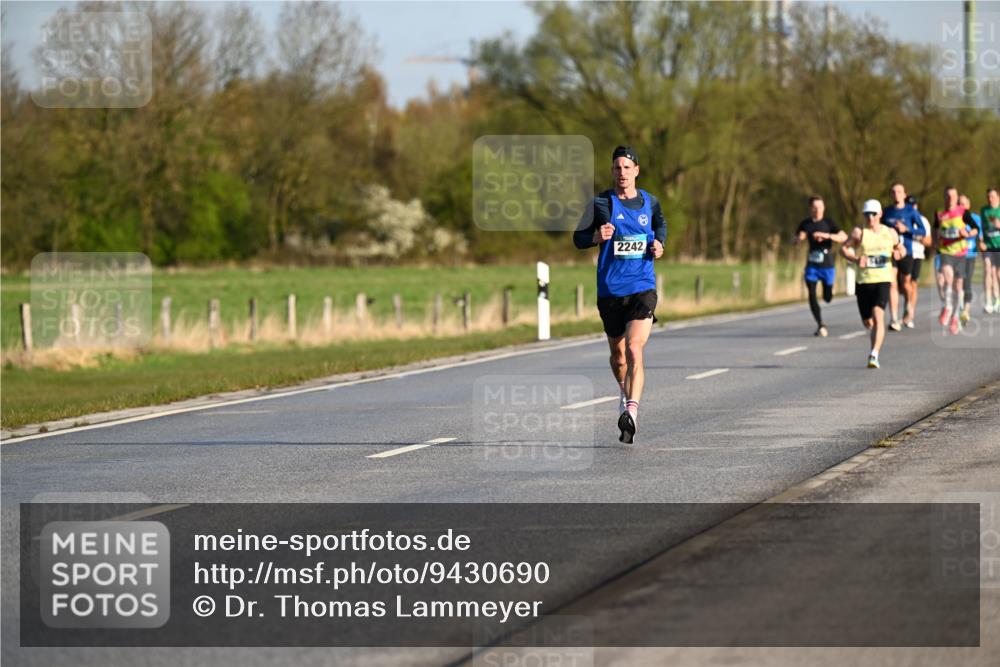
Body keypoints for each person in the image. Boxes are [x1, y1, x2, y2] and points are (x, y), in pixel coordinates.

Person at [574, 145, 665, 444]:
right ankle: (624, 395)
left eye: (627, 167)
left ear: (636, 170)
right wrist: (595, 237)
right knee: (618, 355)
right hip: (610, 291)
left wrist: (659, 244)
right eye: (617, 168)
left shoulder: (650, 202)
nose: (622, 173)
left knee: (634, 349)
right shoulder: (601, 203)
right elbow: (578, 237)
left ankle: (632, 412)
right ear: (612, 172)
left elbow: (660, 225)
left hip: (642, 287)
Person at [840, 199, 905, 368]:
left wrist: (899, 254)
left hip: (883, 280)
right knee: (868, 322)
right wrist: (855, 259)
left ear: (880, 214)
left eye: (874, 214)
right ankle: (873, 341)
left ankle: (874, 354)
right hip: (863, 282)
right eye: (867, 214)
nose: (870, 218)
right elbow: (843, 249)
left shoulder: (890, 233)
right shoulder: (859, 233)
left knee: (879, 316)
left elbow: (901, 249)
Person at [795, 196, 846, 337]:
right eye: (815, 207)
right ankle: (820, 324)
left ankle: (829, 291)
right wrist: (799, 239)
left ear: (824, 208)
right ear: (810, 209)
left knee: (827, 297)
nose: (818, 210)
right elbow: (795, 239)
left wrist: (826, 236)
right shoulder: (805, 224)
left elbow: (843, 237)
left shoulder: (829, 222)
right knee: (811, 294)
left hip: (827, 263)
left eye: (820, 207)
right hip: (812, 263)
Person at [881, 184, 925, 330]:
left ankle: (909, 305)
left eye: (899, 192)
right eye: (893, 192)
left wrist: (907, 229)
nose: (896, 194)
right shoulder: (886, 212)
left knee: (906, 283)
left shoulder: (911, 211)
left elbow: (923, 230)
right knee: (892, 283)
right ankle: (894, 318)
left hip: (907, 251)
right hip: (890, 252)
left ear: (905, 194)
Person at [934, 186, 972, 335]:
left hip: (961, 253)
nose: (950, 199)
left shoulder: (963, 212)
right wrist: (936, 240)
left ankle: (955, 317)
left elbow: (975, 229)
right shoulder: (939, 213)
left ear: (957, 197)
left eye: (953, 196)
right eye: (948, 196)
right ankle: (948, 306)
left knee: (958, 287)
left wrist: (966, 233)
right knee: (947, 279)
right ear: (944, 197)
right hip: (945, 252)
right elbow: (936, 229)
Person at [904, 195, 932, 327]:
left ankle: (910, 312)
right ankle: (907, 304)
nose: (912, 208)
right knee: (903, 284)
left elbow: (929, 241)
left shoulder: (923, 220)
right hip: (904, 253)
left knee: (913, 283)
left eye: (913, 205)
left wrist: (914, 234)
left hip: (917, 254)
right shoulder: (902, 218)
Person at [958, 194, 983, 324]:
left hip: (970, 255)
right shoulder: (955, 218)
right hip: (956, 255)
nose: (961, 206)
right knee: (957, 283)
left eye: (963, 203)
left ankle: (965, 310)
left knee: (966, 282)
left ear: (968, 205)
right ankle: (959, 306)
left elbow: (981, 235)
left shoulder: (975, 219)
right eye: (959, 203)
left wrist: (982, 242)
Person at [981, 188, 1000, 313]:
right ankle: (989, 301)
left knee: (998, 274)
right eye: (988, 197)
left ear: (998, 197)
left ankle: (998, 299)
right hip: (988, 246)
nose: (990, 199)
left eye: (992, 196)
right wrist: (981, 241)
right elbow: (981, 227)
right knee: (989, 270)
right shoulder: (984, 210)